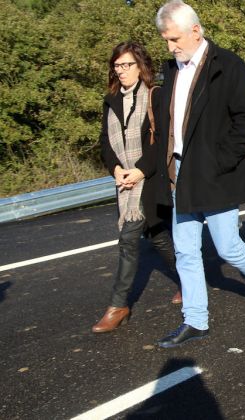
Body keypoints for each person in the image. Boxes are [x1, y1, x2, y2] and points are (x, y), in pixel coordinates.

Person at [153, 0, 245, 348]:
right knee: (186, 250)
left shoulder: (228, 66)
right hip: (179, 171)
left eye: (175, 38)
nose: (170, 46)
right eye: (166, 40)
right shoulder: (172, 69)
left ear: (196, 30)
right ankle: (196, 320)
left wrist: (219, 160)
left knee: (228, 247)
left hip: (215, 172)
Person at [93, 41, 181, 333]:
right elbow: (106, 143)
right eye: (117, 66)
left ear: (140, 66)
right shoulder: (111, 101)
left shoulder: (155, 96)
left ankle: (118, 306)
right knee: (158, 239)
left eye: (126, 65)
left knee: (129, 239)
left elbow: (162, 143)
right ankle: (188, 280)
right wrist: (117, 169)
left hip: (149, 181)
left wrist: (140, 171)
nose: (120, 71)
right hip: (125, 182)